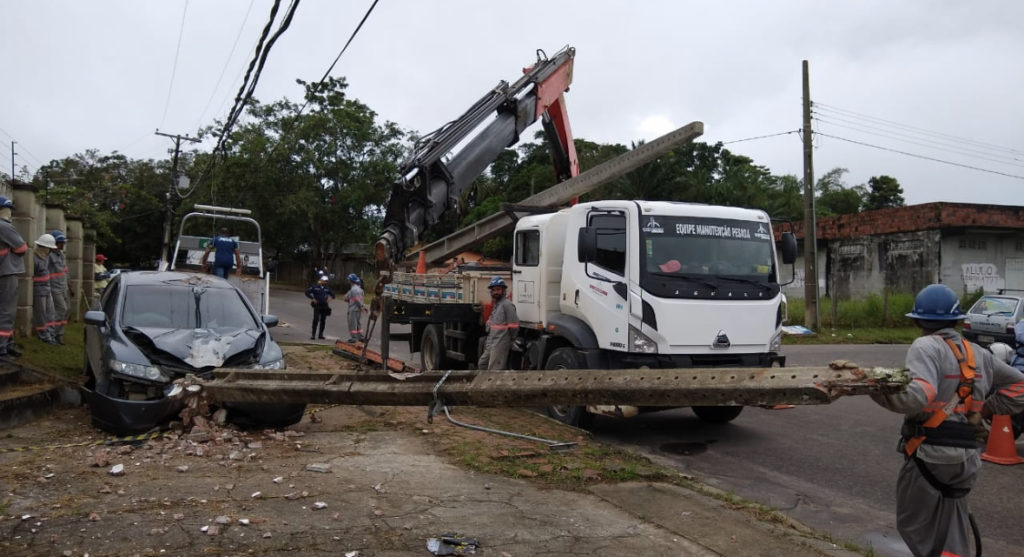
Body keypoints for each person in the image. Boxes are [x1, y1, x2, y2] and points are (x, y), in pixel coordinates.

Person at [870, 284, 1024, 557]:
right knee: (953, 529)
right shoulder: (979, 353)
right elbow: (1020, 387)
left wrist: (872, 388)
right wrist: (987, 409)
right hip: (968, 459)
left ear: (917, 320)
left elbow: (919, 395)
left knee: (915, 526)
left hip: (930, 454)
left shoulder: (925, 346)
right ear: (957, 320)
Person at [0, 196, 27, 357]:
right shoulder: (4, 226)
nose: (10, 213)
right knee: (6, 311)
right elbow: (21, 248)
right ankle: (2, 348)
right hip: (7, 271)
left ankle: (8, 344)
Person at [477, 276, 518, 370]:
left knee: (494, 370)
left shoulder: (507, 305)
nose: (495, 292)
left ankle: (492, 385)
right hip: (491, 341)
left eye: (498, 289)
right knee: (482, 364)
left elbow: (514, 325)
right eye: (493, 290)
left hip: (500, 343)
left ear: (503, 290)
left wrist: (511, 339)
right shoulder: (496, 305)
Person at [31, 233, 59, 345]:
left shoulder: (46, 257)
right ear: (44, 247)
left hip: (47, 288)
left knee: (50, 313)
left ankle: (51, 334)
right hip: (38, 290)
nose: (50, 251)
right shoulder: (33, 258)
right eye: (49, 248)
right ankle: (44, 336)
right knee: (41, 314)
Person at [48, 230, 70, 345]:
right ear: (55, 243)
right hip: (54, 287)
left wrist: (69, 285)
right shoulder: (49, 255)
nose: (63, 245)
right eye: (61, 243)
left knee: (66, 311)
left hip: (63, 287)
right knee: (61, 310)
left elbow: (64, 271)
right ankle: (51, 334)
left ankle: (59, 334)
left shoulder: (61, 254)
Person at [304, 275, 335, 340]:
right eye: (324, 281)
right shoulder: (315, 287)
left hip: (324, 306)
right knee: (316, 319)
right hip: (317, 305)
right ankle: (313, 335)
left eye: (326, 281)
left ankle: (320, 334)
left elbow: (333, 294)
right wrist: (312, 298)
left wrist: (330, 298)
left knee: (323, 320)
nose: (325, 282)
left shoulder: (327, 288)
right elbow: (307, 292)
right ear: (321, 280)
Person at [343, 273, 365, 343]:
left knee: (352, 324)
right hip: (358, 309)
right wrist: (361, 307)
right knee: (358, 323)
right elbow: (360, 299)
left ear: (351, 280)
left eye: (348, 280)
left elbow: (354, 299)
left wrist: (361, 306)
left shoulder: (353, 290)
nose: (348, 281)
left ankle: (354, 338)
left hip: (353, 309)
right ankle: (361, 337)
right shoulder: (360, 289)